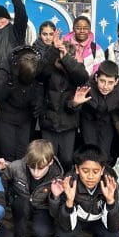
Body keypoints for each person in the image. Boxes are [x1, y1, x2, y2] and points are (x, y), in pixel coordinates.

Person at [50, 146, 119, 237]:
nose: (90, 176)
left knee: (114, 236)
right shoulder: (69, 183)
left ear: (102, 170)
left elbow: (114, 226)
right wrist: (69, 201)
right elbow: (64, 225)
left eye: (96, 171)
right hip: (77, 219)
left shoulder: (110, 183)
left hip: (98, 220)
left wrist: (110, 201)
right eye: (85, 171)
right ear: (77, 169)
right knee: (63, 235)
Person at [0, 139, 63, 237]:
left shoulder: (57, 176)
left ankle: (40, 234)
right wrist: (0, 171)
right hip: (22, 203)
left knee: (42, 233)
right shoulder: (16, 167)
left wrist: (55, 197)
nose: (36, 173)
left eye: (41, 168)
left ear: (50, 162)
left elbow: (56, 212)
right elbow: (3, 180)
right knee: (21, 203)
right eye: (32, 167)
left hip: (42, 207)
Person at [39, 35, 90, 170]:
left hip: (68, 122)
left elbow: (83, 77)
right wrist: (54, 49)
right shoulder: (49, 70)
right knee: (49, 158)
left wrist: (66, 58)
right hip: (49, 122)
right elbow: (40, 71)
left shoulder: (76, 71)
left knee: (67, 159)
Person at [0, 44, 43, 161]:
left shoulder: (38, 66)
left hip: (25, 117)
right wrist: (8, 84)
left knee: (23, 154)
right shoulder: (7, 67)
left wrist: (38, 102)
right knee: (8, 153)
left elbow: (40, 87)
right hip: (6, 116)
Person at [74, 60, 119, 163]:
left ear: (116, 81)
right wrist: (75, 103)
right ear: (96, 78)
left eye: (110, 82)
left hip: (107, 122)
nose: (105, 86)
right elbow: (73, 108)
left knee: (104, 153)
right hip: (88, 120)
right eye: (102, 81)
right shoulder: (87, 86)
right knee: (89, 151)